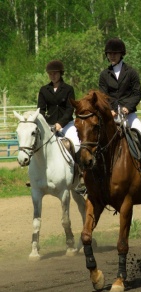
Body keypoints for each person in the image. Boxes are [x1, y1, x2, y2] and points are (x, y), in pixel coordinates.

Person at [98, 37, 141, 186]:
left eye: (115, 53)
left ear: (121, 54)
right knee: (96, 139)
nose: (112, 56)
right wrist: (110, 110)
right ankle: (92, 177)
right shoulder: (104, 75)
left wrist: (127, 107)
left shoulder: (131, 72)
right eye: (109, 53)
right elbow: (103, 95)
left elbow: (137, 93)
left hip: (129, 115)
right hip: (111, 117)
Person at [37, 59, 86, 193]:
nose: (53, 76)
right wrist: (45, 125)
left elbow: (70, 109)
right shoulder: (44, 90)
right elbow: (40, 110)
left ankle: (81, 176)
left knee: (76, 144)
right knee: (37, 144)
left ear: (60, 74)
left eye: (55, 73)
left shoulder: (68, 89)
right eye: (50, 73)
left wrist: (60, 124)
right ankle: (37, 176)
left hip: (67, 124)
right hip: (49, 125)